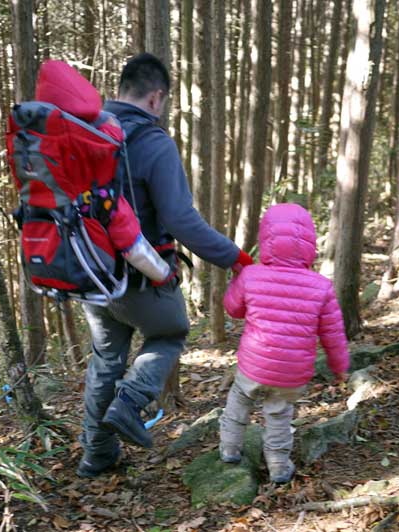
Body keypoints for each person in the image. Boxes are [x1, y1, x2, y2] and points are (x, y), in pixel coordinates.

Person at [77, 53, 253, 478]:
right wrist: (235, 257)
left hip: (89, 270)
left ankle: (96, 454)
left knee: (106, 357)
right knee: (171, 333)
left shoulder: (85, 132)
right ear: (156, 97)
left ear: (121, 89)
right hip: (140, 272)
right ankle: (131, 403)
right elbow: (180, 220)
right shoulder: (153, 142)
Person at [219, 203, 349, 483]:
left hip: (254, 364)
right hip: (292, 373)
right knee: (279, 415)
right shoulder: (320, 286)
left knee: (239, 400)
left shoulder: (251, 275)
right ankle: (278, 466)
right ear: (310, 242)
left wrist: (237, 280)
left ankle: (230, 448)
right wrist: (340, 367)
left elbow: (233, 308)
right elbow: (333, 334)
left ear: (265, 238)